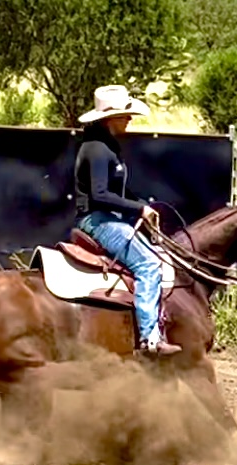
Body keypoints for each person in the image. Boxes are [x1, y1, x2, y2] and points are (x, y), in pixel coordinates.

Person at [74, 85, 182, 356]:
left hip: (105, 218)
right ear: (110, 118)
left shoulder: (105, 146)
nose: (130, 119)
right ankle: (149, 339)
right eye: (125, 115)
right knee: (149, 264)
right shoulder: (98, 150)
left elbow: (117, 192)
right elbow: (99, 195)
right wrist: (139, 209)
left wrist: (141, 206)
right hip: (97, 220)